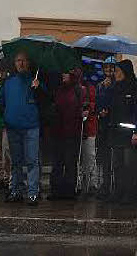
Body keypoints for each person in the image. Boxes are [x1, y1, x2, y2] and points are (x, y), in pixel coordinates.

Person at [0, 52, 42, 205]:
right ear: (15, 63)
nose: (21, 63)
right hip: (13, 126)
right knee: (15, 162)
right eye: (18, 60)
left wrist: (38, 88)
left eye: (24, 60)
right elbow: (0, 101)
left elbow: (45, 101)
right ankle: (15, 190)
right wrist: (7, 117)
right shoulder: (9, 82)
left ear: (29, 63)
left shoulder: (35, 81)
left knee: (31, 161)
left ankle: (33, 193)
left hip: (31, 126)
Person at [103, 59, 137, 203]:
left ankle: (130, 194)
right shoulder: (114, 88)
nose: (116, 74)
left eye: (118, 71)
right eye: (115, 71)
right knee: (117, 165)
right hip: (116, 134)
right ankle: (118, 192)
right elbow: (107, 105)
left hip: (130, 135)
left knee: (130, 166)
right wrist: (106, 89)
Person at [48, 67, 87, 200]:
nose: (63, 75)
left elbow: (82, 107)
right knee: (57, 162)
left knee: (70, 162)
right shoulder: (59, 89)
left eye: (66, 73)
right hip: (58, 131)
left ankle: (69, 189)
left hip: (72, 132)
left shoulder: (78, 90)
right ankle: (56, 189)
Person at [95, 60, 116, 200]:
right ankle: (105, 183)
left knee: (115, 158)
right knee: (105, 158)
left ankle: (114, 185)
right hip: (103, 126)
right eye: (106, 67)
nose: (108, 70)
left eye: (111, 67)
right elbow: (97, 102)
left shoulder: (117, 85)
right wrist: (99, 112)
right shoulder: (99, 86)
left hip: (114, 125)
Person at [77, 68, 98, 196]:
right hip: (76, 128)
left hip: (89, 127)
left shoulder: (90, 88)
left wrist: (89, 108)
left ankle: (92, 183)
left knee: (90, 157)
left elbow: (95, 103)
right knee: (78, 158)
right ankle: (79, 183)